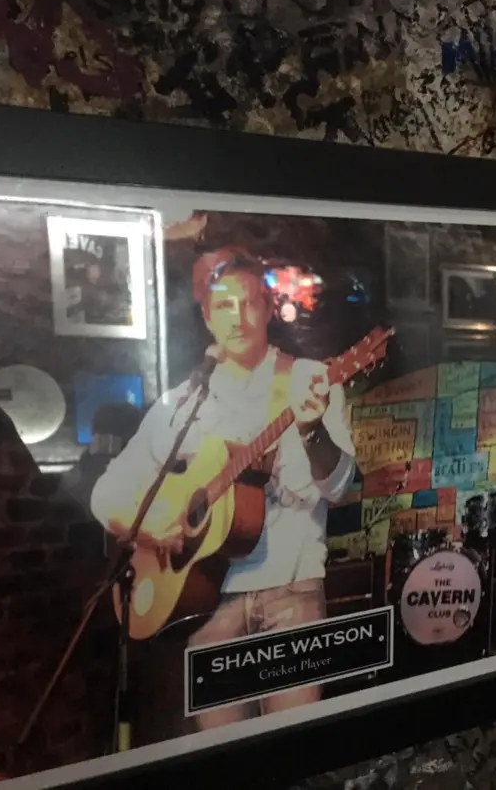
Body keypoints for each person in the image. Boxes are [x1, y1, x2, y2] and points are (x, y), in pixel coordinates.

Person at [90, 247, 356, 729]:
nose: (237, 317)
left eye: (249, 301)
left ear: (270, 309)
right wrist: (147, 529)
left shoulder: (311, 380)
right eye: (223, 305)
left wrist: (312, 431)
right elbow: (107, 492)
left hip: (289, 599)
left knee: (294, 756)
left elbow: (338, 488)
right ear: (207, 318)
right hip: (205, 603)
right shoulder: (183, 402)